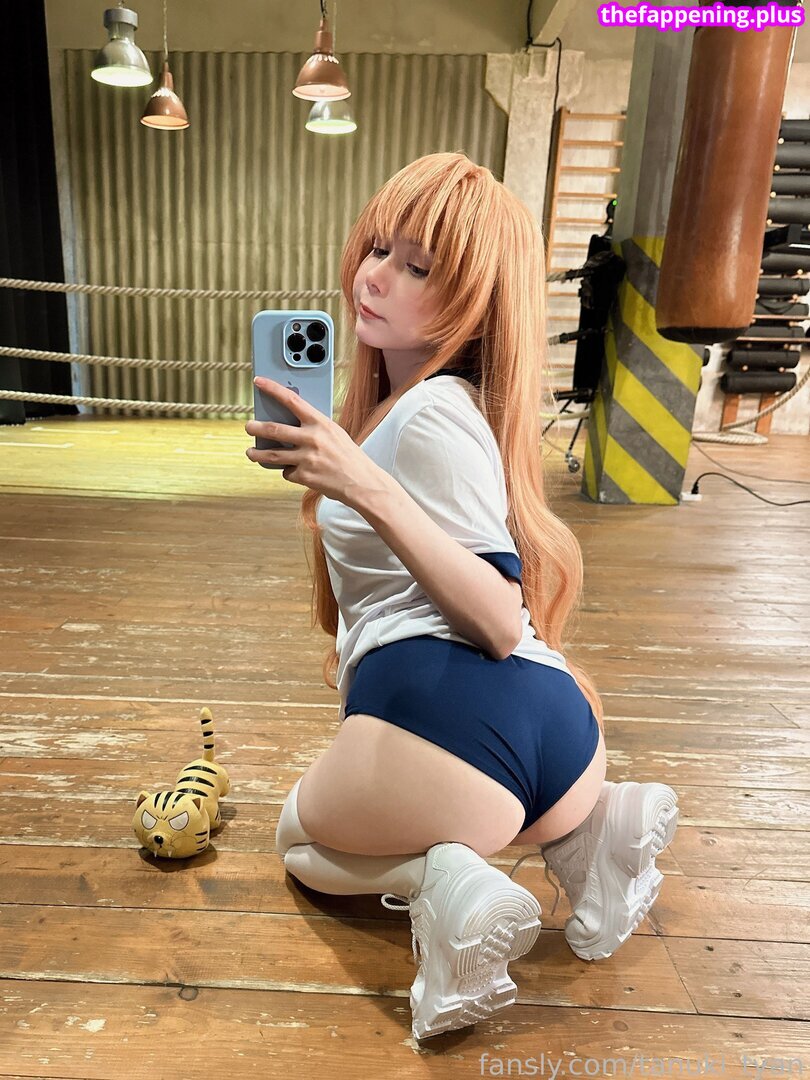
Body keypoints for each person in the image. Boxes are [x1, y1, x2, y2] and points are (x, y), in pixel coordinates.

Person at [245, 151, 679, 1041]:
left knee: (298, 840)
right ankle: (591, 834)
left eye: (418, 267)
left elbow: (495, 617)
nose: (376, 277)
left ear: (474, 302)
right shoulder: (436, 406)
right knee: (434, 805)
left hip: (449, 724)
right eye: (379, 249)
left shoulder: (434, 412)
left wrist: (361, 483)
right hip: (558, 734)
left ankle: (441, 882)